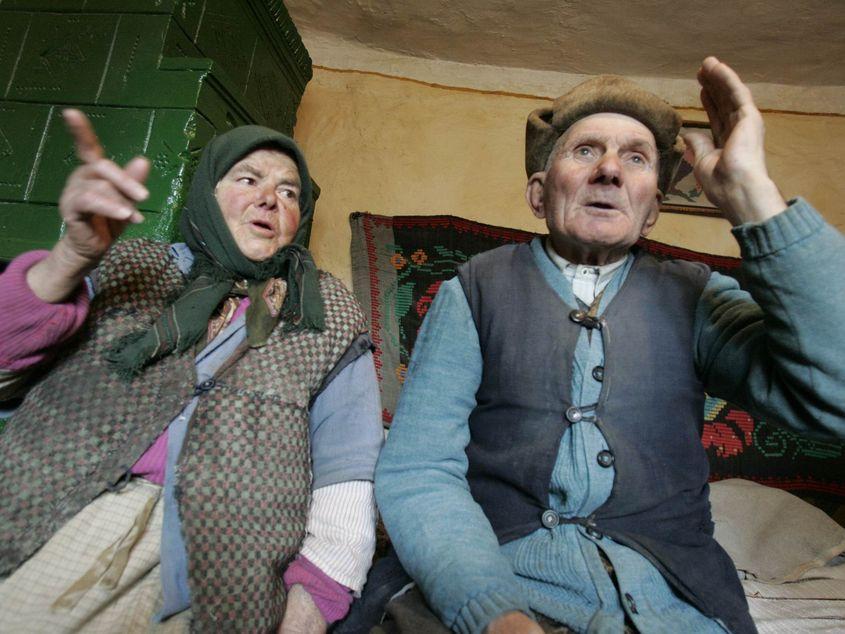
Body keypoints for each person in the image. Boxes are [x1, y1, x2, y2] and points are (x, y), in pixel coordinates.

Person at [374, 57, 845, 634]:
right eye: (584, 150)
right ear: (539, 195)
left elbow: (836, 391)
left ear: (651, 211)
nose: (610, 171)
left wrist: (754, 197)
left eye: (636, 158)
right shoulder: (472, 290)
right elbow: (421, 470)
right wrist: (493, 613)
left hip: (675, 600)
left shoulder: (698, 296)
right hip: (495, 578)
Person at [0, 112, 383, 633]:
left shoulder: (327, 317)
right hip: (56, 514)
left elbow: (346, 483)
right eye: (249, 180)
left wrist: (304, 617)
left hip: (223, 575)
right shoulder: (131, 267)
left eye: (290, 193)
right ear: (208, 191)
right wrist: (69, 258)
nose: (271, 199)